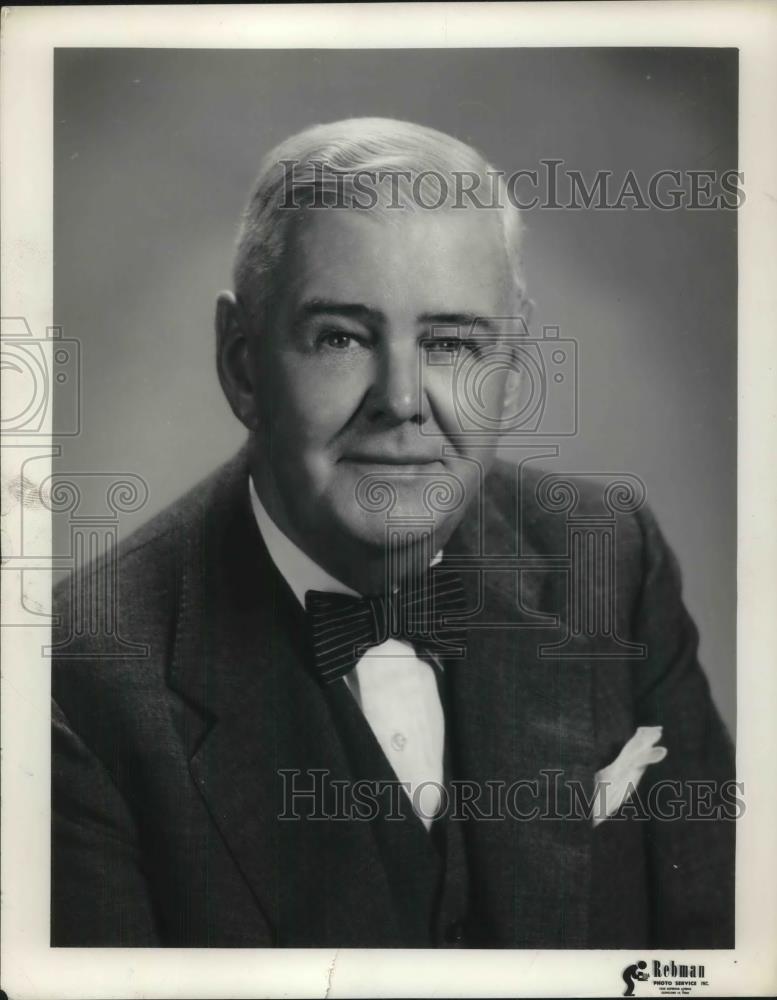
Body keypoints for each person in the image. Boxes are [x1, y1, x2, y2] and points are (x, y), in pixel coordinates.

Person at [51, 118, 735, 948]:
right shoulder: (78, 681)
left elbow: (716, 945)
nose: (403, 399)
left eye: (449, 342)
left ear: (512, 364)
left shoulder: (608, 556)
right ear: (241, 363)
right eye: (340, 337)